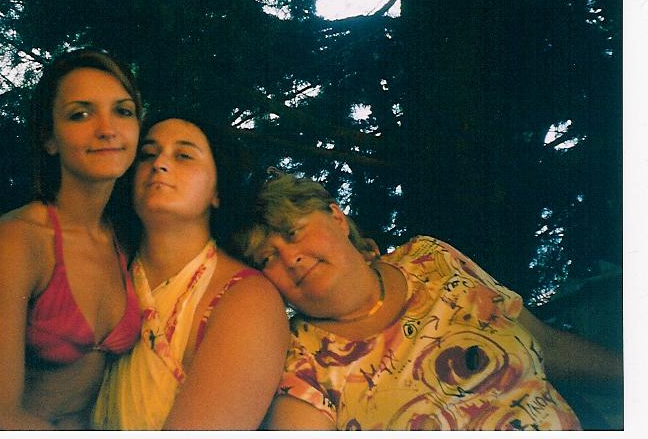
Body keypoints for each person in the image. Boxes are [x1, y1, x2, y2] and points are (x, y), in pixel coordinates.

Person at [234, 169, 623, 431]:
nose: (290, 257)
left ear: (337, 218)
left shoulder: (431, 258)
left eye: (294, 232)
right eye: (267, 258)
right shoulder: (299, 361)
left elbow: (547, 345)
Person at [0, 47, 143, 429]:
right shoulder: (20, 239)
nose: (107, 128)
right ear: (49, 138)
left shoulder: (128, 239)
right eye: (80, 114)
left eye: (123, 111)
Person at [91, 117, 290, 429]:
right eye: (147, 154)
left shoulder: (247, 298)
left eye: (183, 155)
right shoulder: (101, 267)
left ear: (217, 192)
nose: (159, 164)